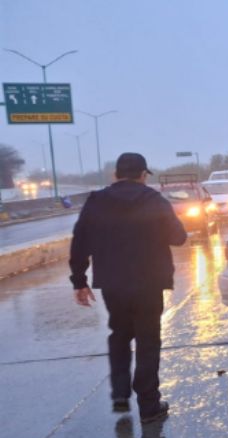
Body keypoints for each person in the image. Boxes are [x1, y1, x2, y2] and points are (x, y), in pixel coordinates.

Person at [69, 152, 187, 423]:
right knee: (148, 340)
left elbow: (80, 242)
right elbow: (178, 237)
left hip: (113, 284)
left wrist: (79, 281)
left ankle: (120, 397)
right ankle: (149, 406)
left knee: (119, 335)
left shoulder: (96, 201)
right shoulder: (154, 200)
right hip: (149, 284)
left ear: (115, 175)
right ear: (144, 175)